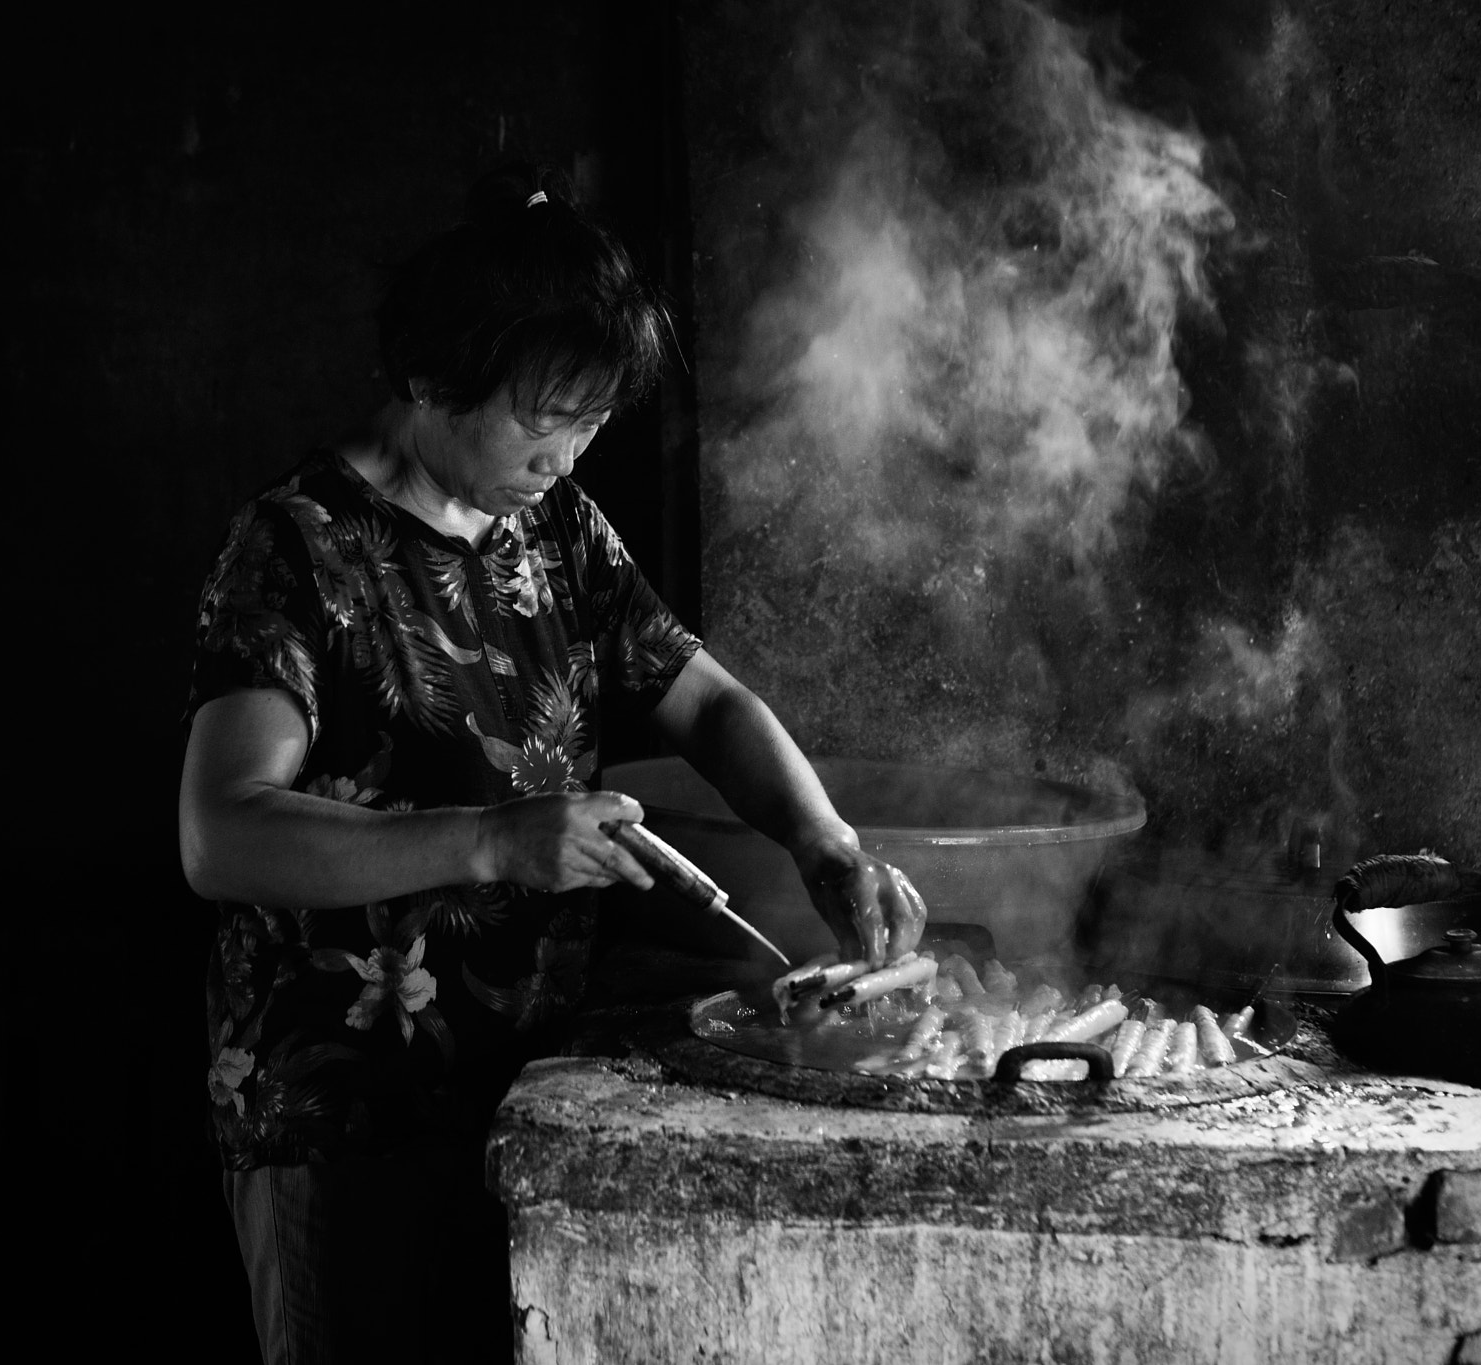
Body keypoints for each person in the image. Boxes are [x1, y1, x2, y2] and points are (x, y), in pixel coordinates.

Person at [178, 163, 927, 1364]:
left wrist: (821, 838)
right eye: (542, 422)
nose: (570, 457)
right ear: (431, 379)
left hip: (535, 1094)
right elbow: (222, 835)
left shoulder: (550, 528)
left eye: (591, 422)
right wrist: (496, 839)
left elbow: (709, 701)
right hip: (349, 1121)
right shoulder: (298, 548)